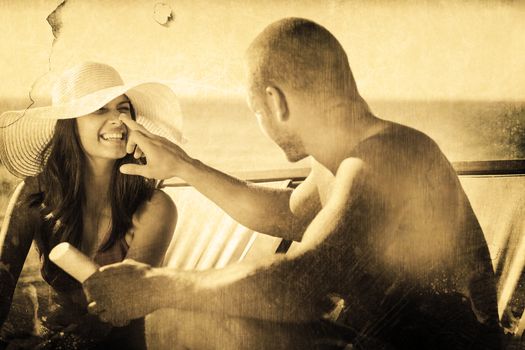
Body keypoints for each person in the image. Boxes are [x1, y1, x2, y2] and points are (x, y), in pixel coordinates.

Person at [83, 18, 503, 350]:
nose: (261, 120)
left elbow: (297, 287)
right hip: (382, 339)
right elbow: (284, 214)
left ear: (275, 101)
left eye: (256, 111)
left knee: (179, 320)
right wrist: (184, 166)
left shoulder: (385, 159)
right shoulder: (347, 162)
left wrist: (159, 287)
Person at [0, 62, 181, 349]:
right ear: (69, 123)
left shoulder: (154, 207)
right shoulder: (35, 193)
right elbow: (3, 281)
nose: (118, 120)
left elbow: (125, 306)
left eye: (123, 108)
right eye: (99, 109)